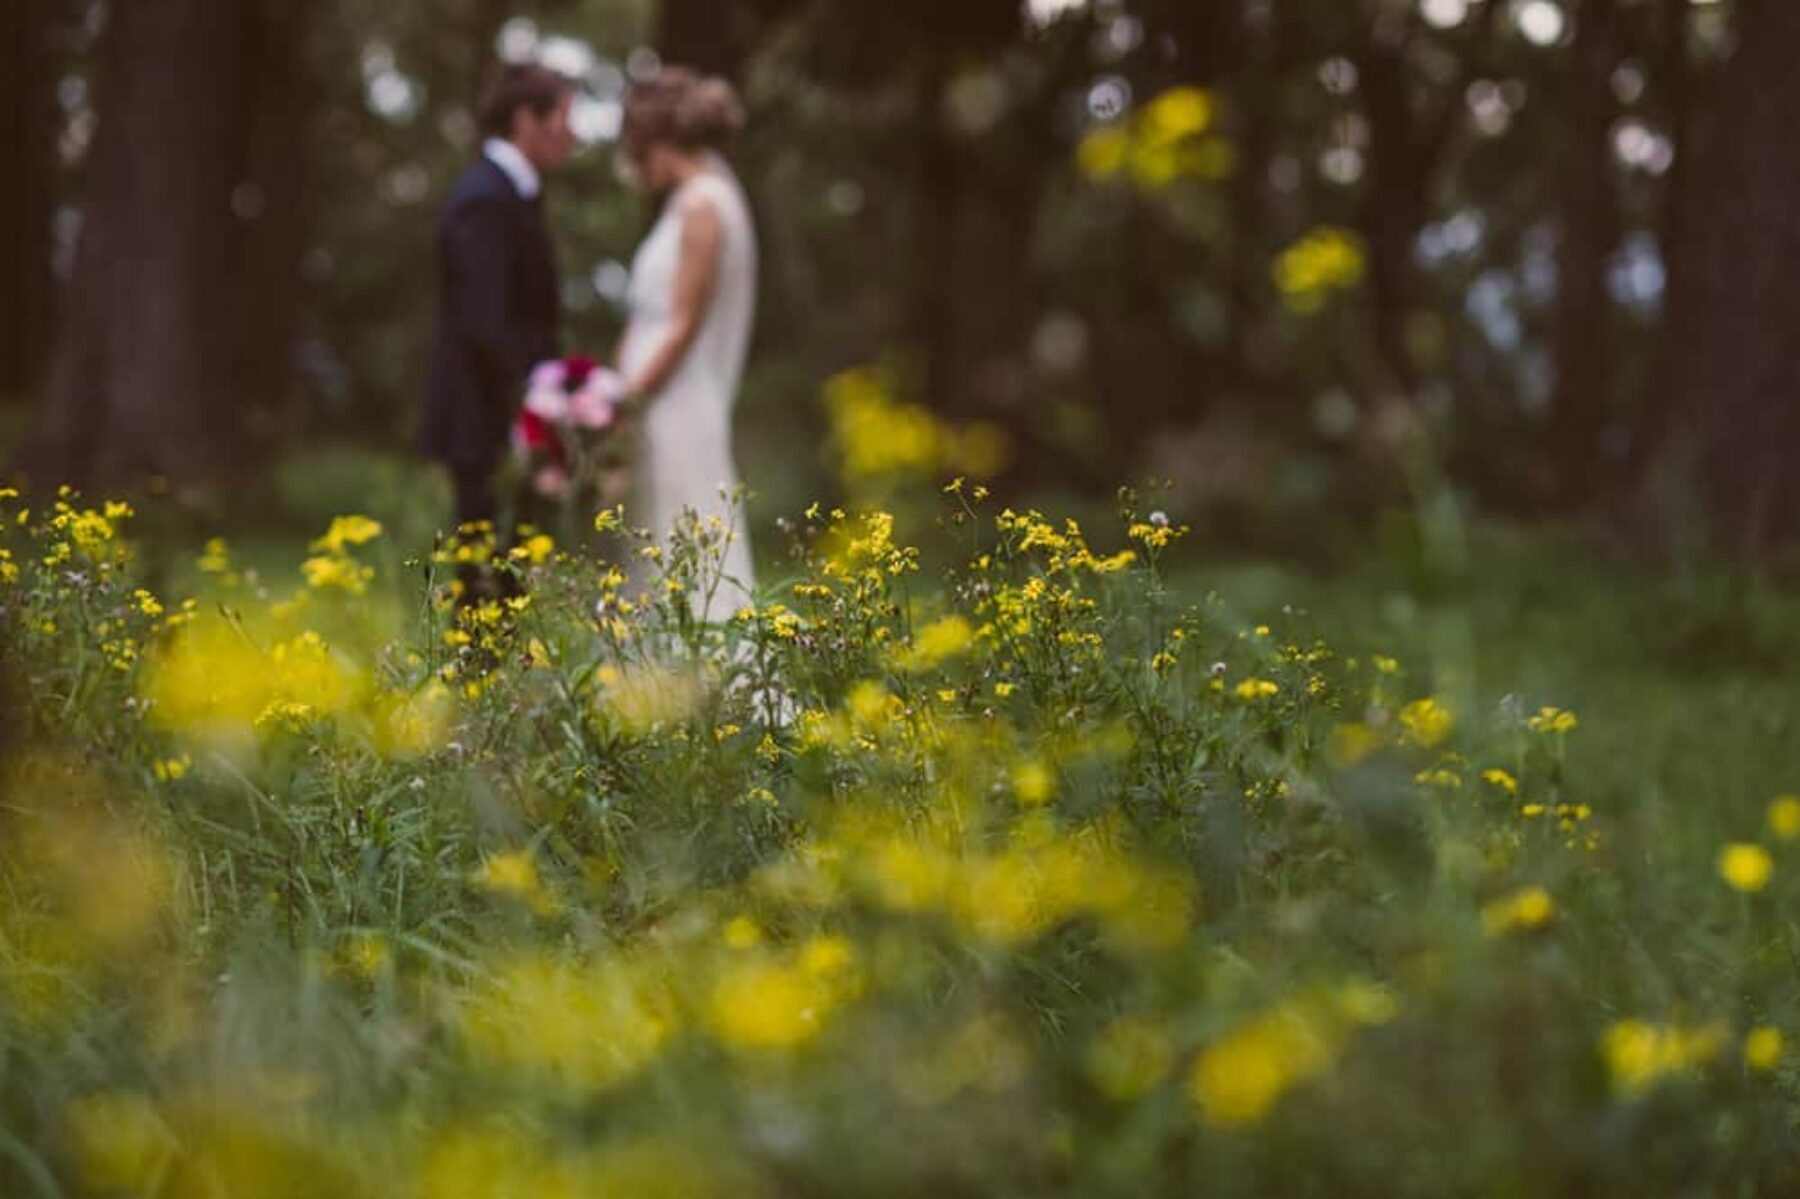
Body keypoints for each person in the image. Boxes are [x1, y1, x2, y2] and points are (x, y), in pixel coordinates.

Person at [420, 61, 576, 593]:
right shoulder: (485, 198)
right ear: (526, 120)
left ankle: (494, 671)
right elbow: (484, 320)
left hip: (507, 409)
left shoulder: (512, 193)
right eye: (563, 118)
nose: (572, 135)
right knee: (483, 572)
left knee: (511, 567)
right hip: (485, 412)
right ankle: (478, 675)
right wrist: (541, 397)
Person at [614, 68, 760, 618]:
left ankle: (705, 693)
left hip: (675, 407)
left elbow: (682, 325)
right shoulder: (692, 200)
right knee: (657, 551)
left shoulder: (704, 205)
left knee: (686, 550)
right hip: (657, 403)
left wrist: (622, 400)